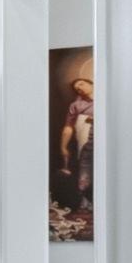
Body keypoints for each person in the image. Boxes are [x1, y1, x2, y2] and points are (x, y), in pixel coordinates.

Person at [57, 76, 94, 211]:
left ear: (91, 83)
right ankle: (86, 202)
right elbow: (68, 127)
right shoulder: (76, 105)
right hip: (86, 142)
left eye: (82, 84)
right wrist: (63, 146)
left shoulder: (105, 97)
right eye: (77, 88)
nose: (79, 88)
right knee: (85, 171)